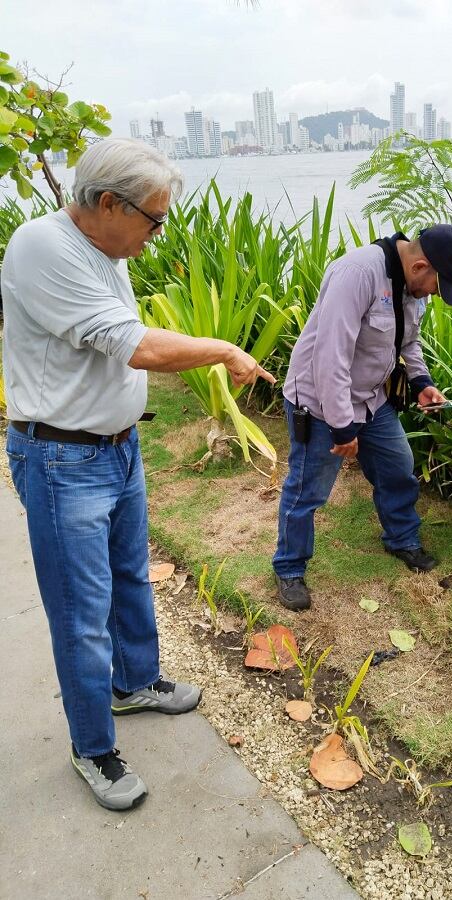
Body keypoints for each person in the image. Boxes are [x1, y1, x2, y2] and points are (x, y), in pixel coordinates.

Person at [1, 138, 275, 812]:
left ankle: (134, 683)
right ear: (107, 203)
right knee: (81, 615)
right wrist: (224, 349)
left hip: (116, 451)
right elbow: (137, 345)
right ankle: (92, 747)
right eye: (154, 219)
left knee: (129, 578)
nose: (158, 233)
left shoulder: (108, 249)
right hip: (62, 460)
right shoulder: (42, 248)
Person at [272, 225, 452, 611]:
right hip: (320, 402)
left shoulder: (412, 286)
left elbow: (408, 340)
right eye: (437, 285)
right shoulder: (357, 274)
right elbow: (330, 357)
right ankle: (289, 567)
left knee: (397, 468)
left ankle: (402, 539)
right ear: (420, 266)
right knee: (307, 490)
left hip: (370, 399)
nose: (435, 293)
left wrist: (422, 382)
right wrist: (341, 426)